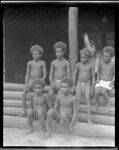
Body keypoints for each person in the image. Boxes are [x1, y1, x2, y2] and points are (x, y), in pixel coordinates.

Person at [19, 45, 47, 117]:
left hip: (38, 80)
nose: (34, 55)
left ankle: (39, 112)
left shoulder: (42, 63)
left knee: (38, 94)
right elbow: (27, 74)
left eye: (36, 54)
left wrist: (41, 81)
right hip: (31, 80)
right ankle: (24, 111)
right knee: (23, 93)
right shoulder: (30, 63)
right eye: (33, 54)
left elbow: (44, 74)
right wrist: (26, 83)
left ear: (40, 55)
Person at [73, 48, 95, 125]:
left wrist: (92, 88)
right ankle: (76, 118)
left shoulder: (91, 66)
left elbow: (93, 77)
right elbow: (75, 75)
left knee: (87, 99)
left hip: (87, 83)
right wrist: (73, 85)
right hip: (79, 83)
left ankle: (89, 119)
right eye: (80, 57)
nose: (81, 59)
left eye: (83, 57)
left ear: (88, 58)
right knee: (77, 100)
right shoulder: (78, 65)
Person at [47, 41, 70, 108]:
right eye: (56, 51)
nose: (57, 53)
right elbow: (51, 74)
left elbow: (68, 74)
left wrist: (64, 83)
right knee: (49, 95)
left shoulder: (66, 62)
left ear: (63, 52)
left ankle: (57, 109)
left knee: (59, 96)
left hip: (62, 83)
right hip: (54, 81)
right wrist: (51, 82)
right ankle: (52, 108)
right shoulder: (53, 62)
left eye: (59, 51)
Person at [93, 46, 115, 112]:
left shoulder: (113, 64)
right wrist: (97, 79)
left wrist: (112, 82)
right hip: (101, 81)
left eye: (106, 56)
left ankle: (108, 104)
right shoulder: (101, 63)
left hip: (108, 82)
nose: (103, 57)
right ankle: (97, 104)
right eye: (103, 56)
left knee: (103, 91)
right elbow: (98, 72)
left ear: (111, 57)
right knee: (96, 91)